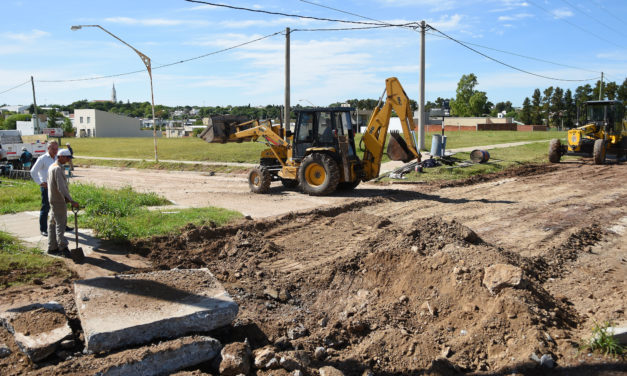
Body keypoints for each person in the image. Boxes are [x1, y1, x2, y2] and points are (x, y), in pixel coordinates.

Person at [47, 149, 79, 257]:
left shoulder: (52, 166)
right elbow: (61, 188)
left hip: (53, 199)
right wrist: (71, 200)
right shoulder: (57, 169)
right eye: (67, 158)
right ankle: (63, 248)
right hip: (58, 200)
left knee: (52, 223)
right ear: (61, 157)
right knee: (61, 224)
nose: (68, 160)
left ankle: (52, 247)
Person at [30, 141, 58, 237]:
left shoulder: (57, 158)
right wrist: (40, 183)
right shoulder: (42, 159)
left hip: (57, 186)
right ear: (48, 148)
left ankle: (62, 226)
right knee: (45, 207)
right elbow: (33, 171)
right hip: (46, 187)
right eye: (53, 149)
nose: (55, 151)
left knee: (59, 206)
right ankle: (43, 229)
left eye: (56, 149)